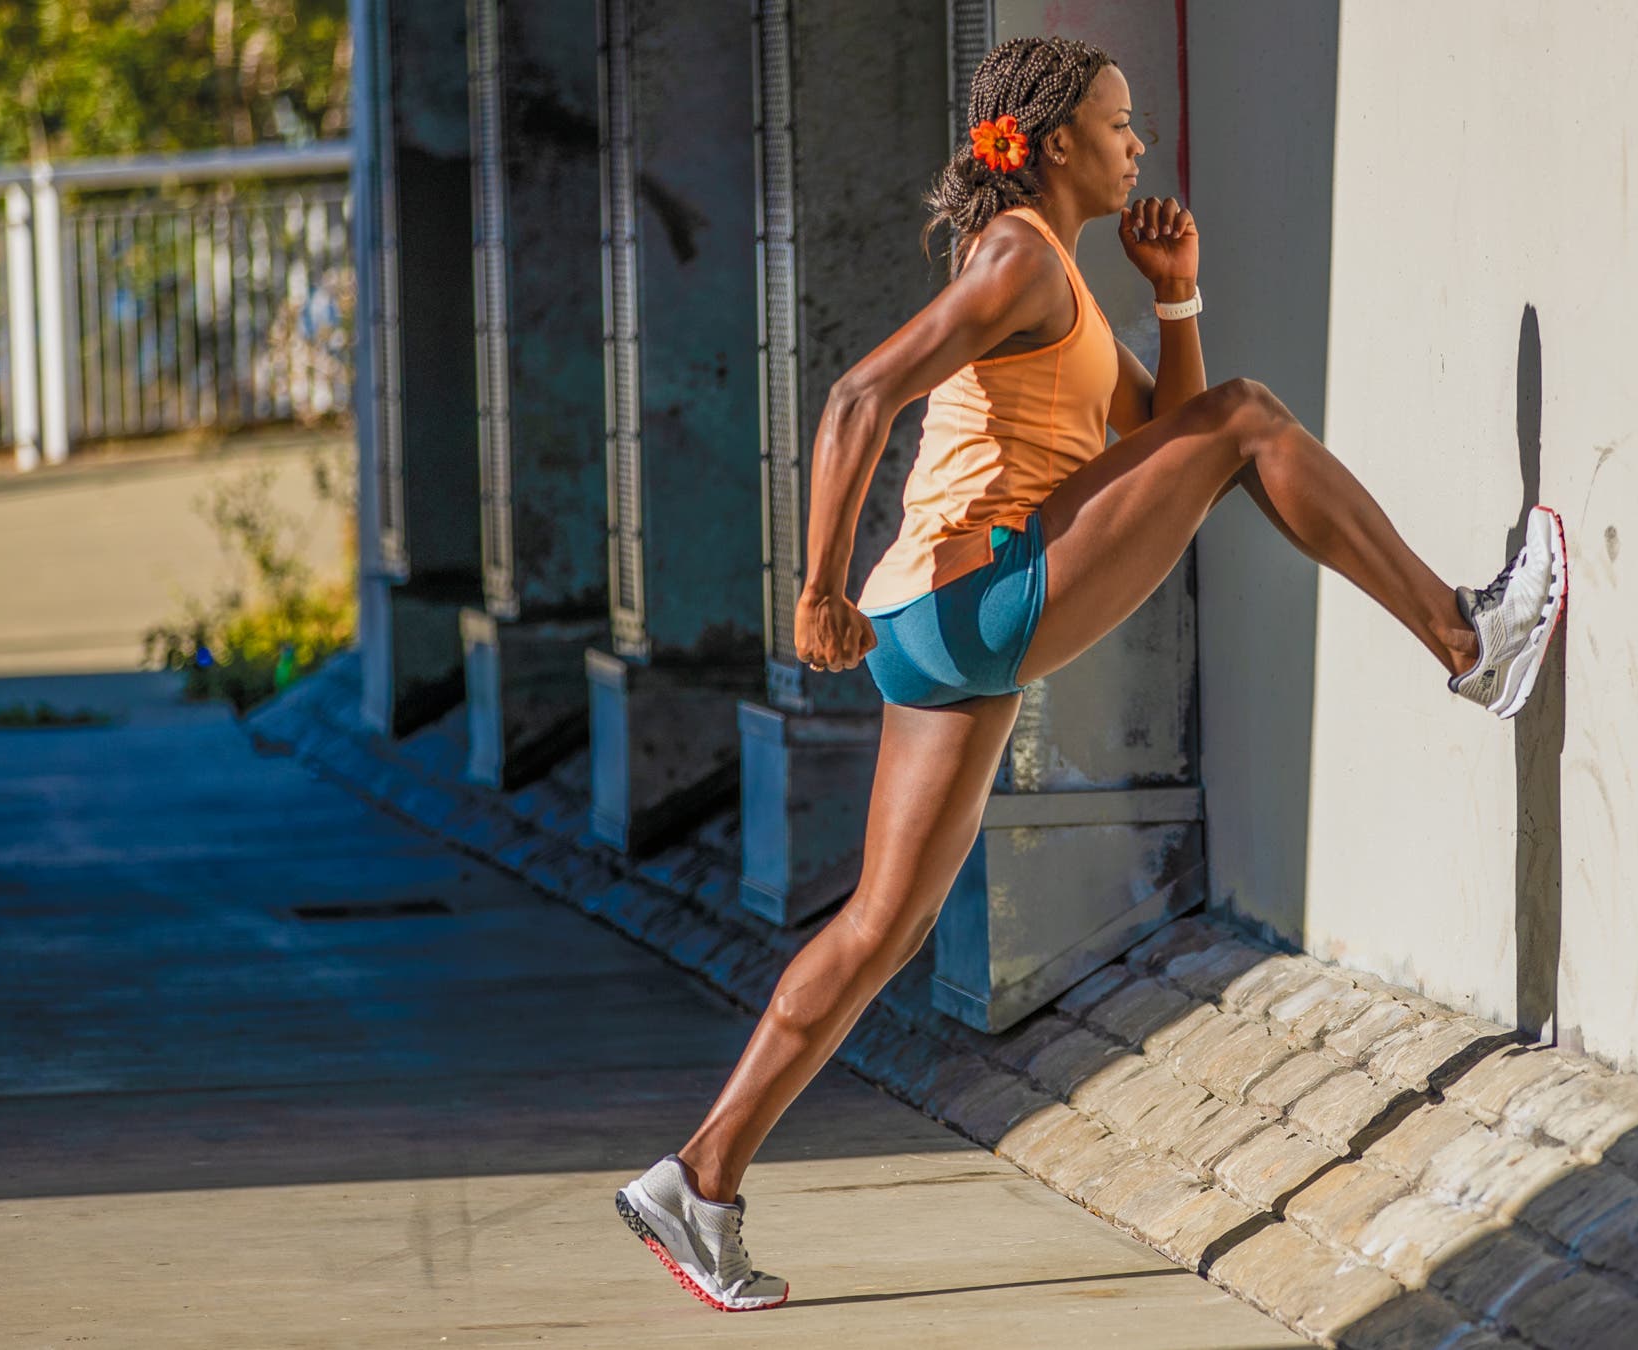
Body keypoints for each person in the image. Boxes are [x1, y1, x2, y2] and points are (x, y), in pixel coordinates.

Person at [611, 35, 1567, 1313]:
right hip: (970, 595)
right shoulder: (1015, 256)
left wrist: (1175, 297)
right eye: (1120, 125)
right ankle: (1467, 638)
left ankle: (698, 1179)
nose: (1138, 147)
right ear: (1055, 142)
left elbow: (1162, 439)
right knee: (1254, 415)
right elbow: (856, 398)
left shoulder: (1046, 272)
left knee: (881, 927)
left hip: (929, 625)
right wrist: (814, 589)